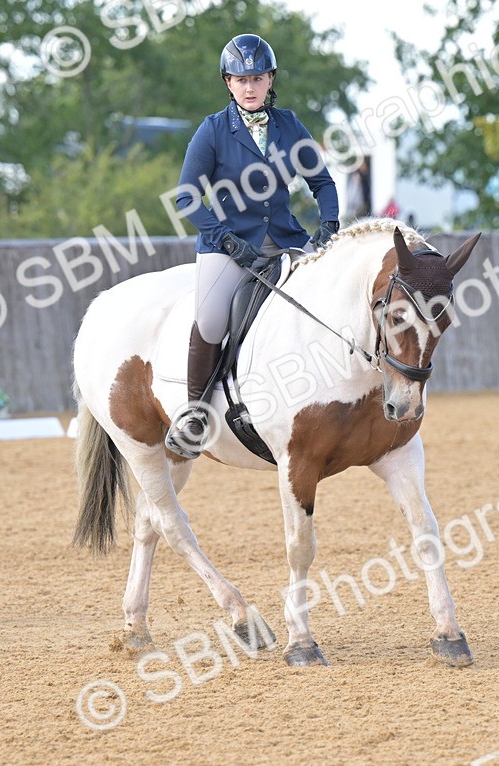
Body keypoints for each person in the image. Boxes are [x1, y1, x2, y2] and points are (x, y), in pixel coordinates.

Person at [165, 34, 340, 459]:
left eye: (257, 78)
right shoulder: (211, 130)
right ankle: (195, 413)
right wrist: (224, 238)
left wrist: (329, 224)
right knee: (209, 319)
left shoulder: (288, 125)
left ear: (270, 80)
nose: (249, 87)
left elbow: (322, 182)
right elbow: (186, 196)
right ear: (228, 82)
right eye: (240, 79)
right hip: (226, 246)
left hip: (284, 240)